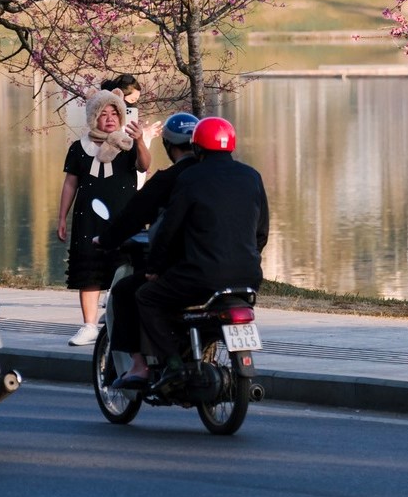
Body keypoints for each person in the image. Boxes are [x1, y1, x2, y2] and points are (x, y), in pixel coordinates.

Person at [135, 116, 269, 384]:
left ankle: (173, 363)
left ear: (197, 147)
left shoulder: (191, 177)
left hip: (201, 274)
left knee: (146, 297)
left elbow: (169, 228)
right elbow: (261, 231)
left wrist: (155, 267)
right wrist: (250, 257)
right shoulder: (252, 176)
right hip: (249, 277)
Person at [98, 111, 201, 389]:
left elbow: (136, 213)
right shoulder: (226, 177)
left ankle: (140, 365)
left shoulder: (172, 179)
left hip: (184, 270)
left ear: (168, 146)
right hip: (236, 274)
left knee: (128, 292)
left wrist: (105, 240)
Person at [57, 87, 153, 346]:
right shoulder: (79, 148)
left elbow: (145, 165)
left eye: (114, 113)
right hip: (88, 217)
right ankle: (89, 325)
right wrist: (62, 217)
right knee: (89, 270)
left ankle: (116, 320)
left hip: (124, 218)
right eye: (103, 113)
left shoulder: (129, 144)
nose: (109, 118)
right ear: (93, 118)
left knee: (123, 268)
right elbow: (70, 184)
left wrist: (141, 140)